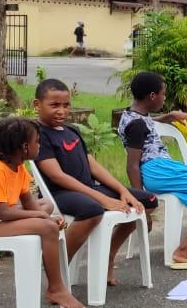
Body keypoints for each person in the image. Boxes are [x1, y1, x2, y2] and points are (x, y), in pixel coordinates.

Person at [34, 78, 158, 286]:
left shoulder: (71, 130)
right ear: (37, 105)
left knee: (147, 201)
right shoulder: (38, 134)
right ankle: (58, 270)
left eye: (66, 105)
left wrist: (121, 191)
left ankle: (108, 256)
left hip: (87, 189)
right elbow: (58, 176)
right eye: (54, 105)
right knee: (92, 210)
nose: (61, 111)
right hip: (58, 194)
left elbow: (92, 165)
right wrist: (102, 199)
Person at [0, 117, 85, 308]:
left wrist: (42, 214)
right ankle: (56, 288)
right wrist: (43, 219)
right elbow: (5, 212)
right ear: (25, 147)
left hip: (1, 217)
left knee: (47, 205)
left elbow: (30, 203)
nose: (40, 145)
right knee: (48, 226)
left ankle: (48, 245)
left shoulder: (18, 168)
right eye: (38, 142)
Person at [118, 71, 187, 269]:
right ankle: (186, 248)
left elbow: (149, 123)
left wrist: (171, 116)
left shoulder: (133, 114)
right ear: (152, 96)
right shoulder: (137, 125)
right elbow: (132, 165)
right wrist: (143, 201)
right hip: (156, 170)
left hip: (160, 168)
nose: (164, 98)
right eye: (163, 94)